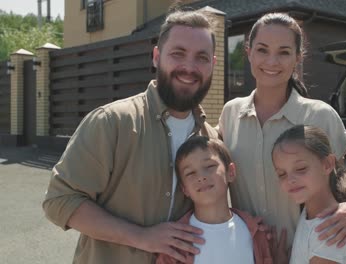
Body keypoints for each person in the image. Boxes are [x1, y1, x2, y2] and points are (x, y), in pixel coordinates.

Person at [42, 10, 219, 263]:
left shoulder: (212, 140)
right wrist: (141, 237)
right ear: (157, 56)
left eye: (201, 57)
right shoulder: (112, 122)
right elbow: (60, 200)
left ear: (213, 63)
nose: (189, 67)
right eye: (178, 54)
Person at [218, 13, 346, 247]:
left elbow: (340, 179)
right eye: (262, 50)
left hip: (307, 252)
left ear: (298, 58)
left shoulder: (320, 115)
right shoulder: (230, 113)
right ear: (249, 52)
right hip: (247, 253)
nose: (272, 62)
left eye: (284, 52)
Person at [156, 136, 272, 264]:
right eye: (190, 173)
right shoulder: (175, 243)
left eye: (209, 166)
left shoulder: (257, 232)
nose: (200, 177)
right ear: (184, 189)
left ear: (231, 172)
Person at [272, 125, 346, 264]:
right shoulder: (310, 214)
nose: (290, 180)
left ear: (327, 164)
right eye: (281, 174)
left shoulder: (327, 231)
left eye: (301, 168)